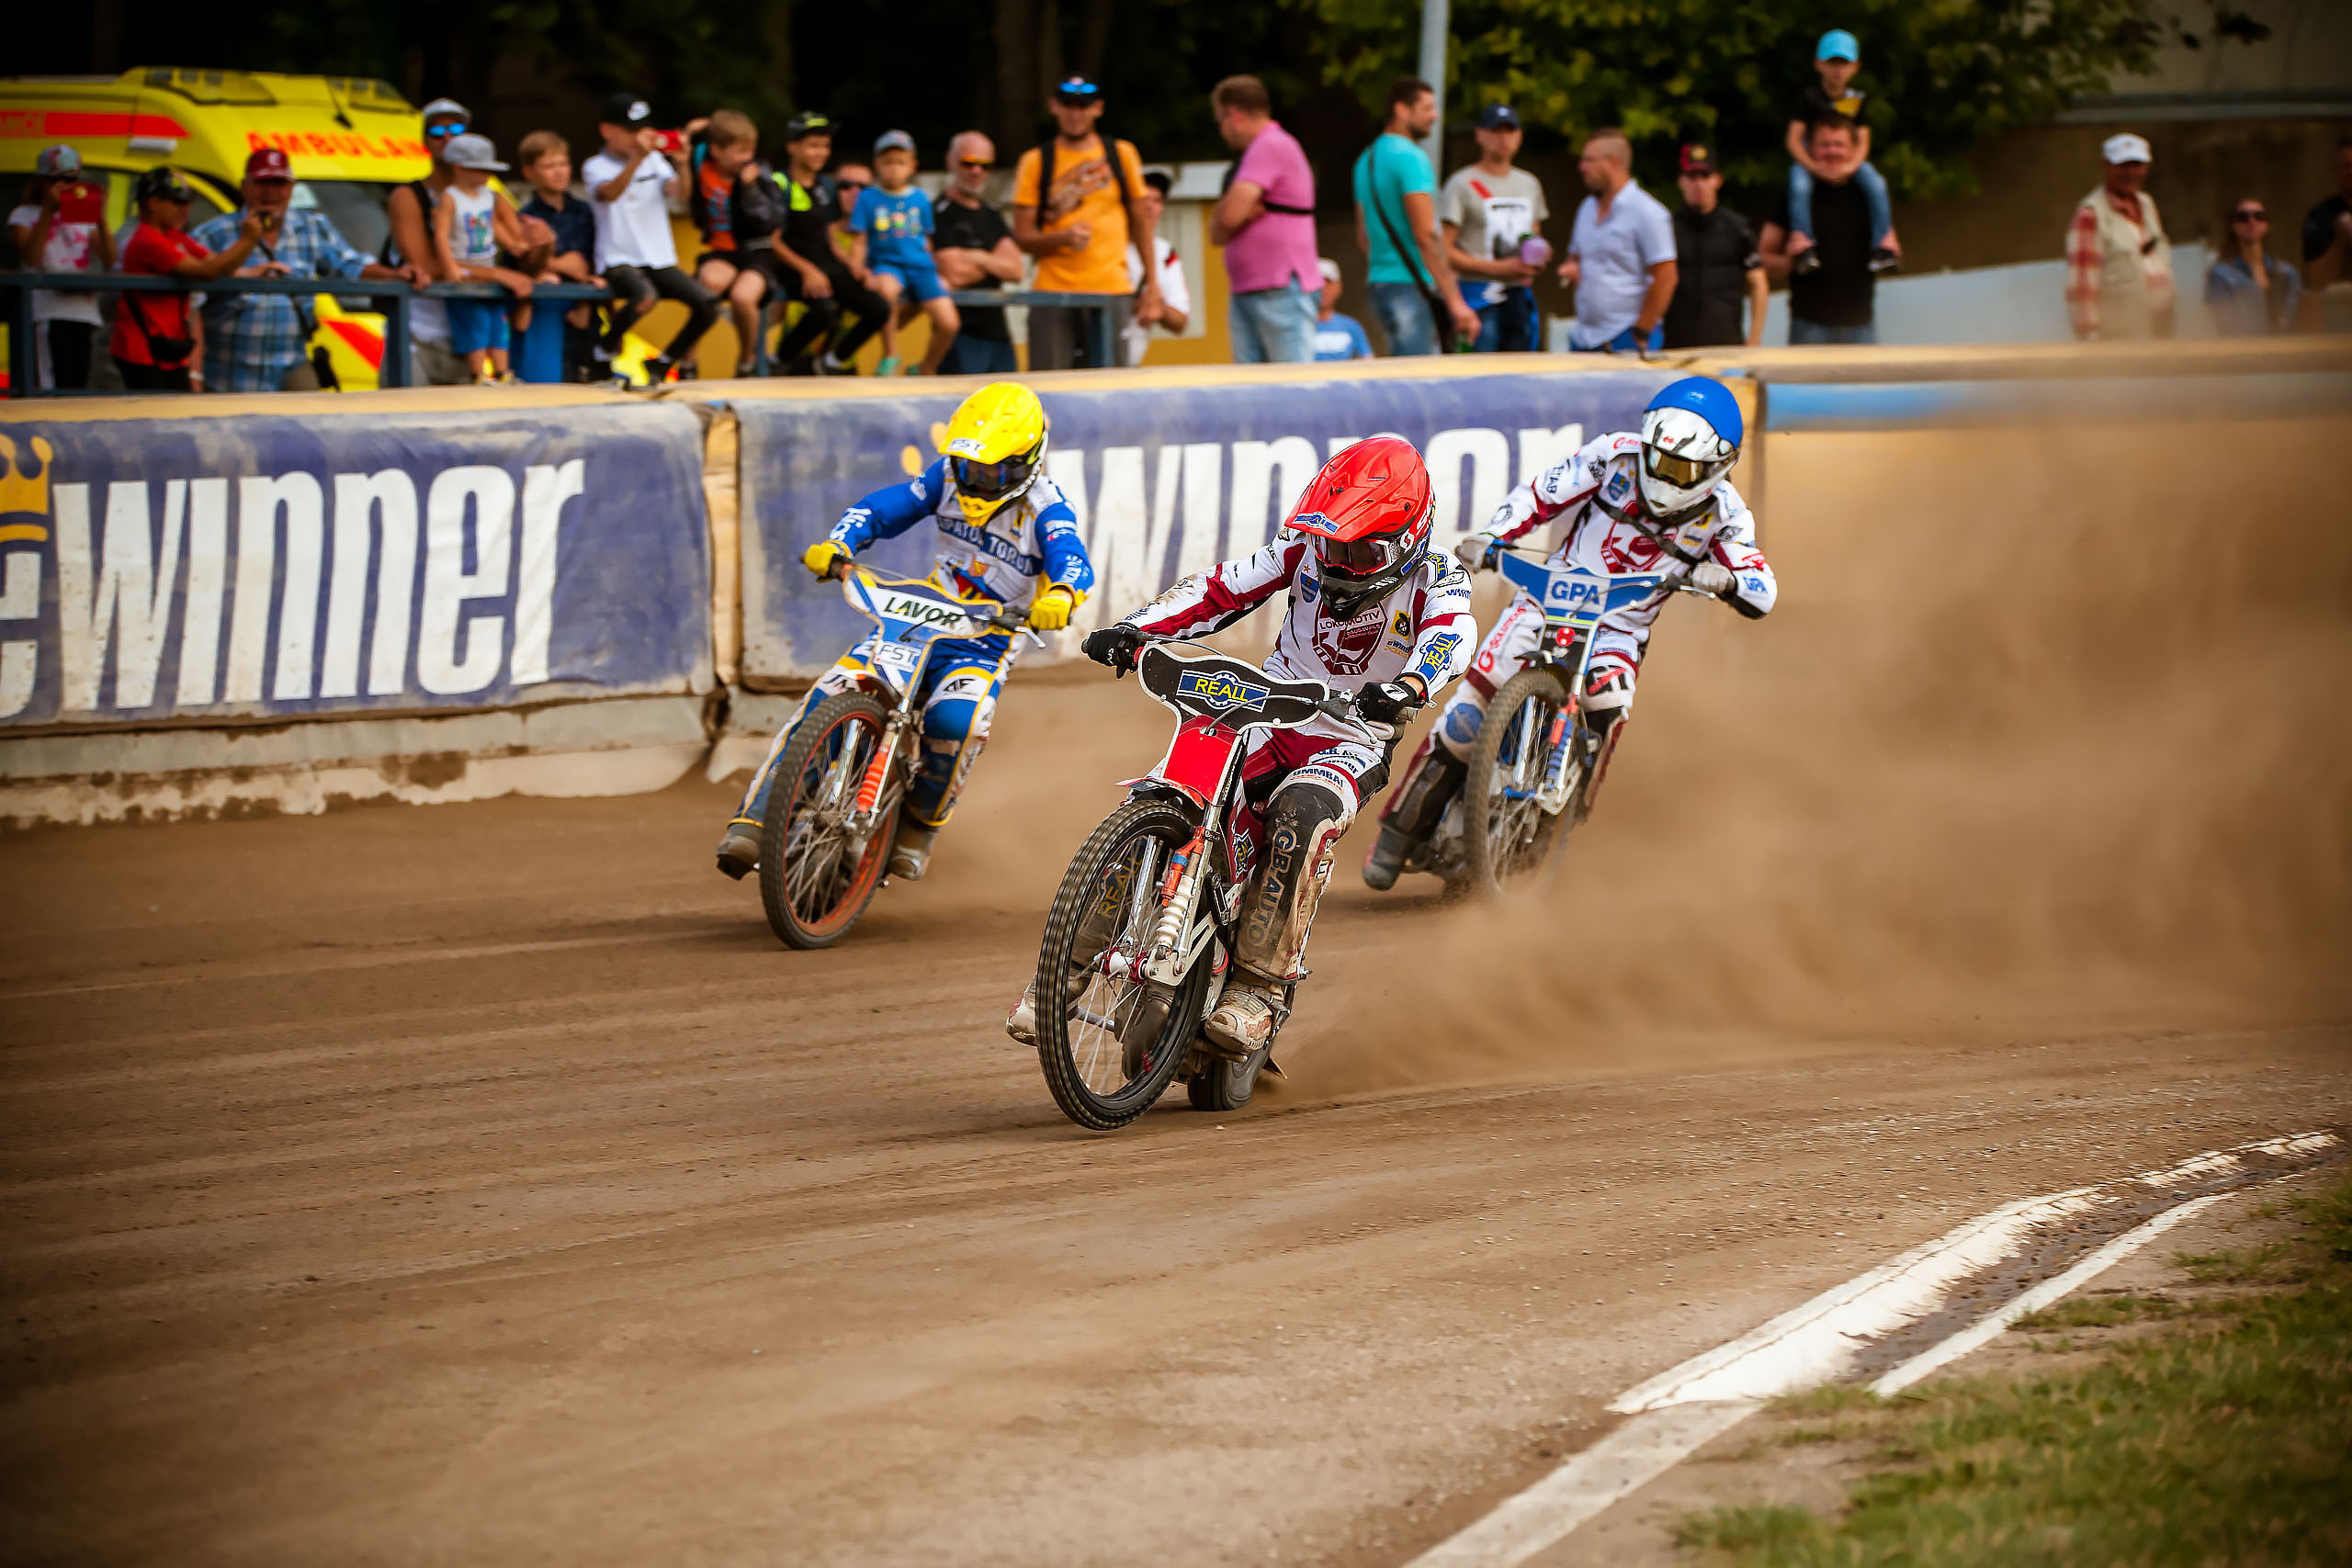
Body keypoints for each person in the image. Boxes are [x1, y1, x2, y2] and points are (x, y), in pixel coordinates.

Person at [1022, 436, 1476, 1057]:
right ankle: (1064, 972)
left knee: (1303, 813)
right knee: (1169, 791)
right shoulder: (1306, 548)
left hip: (1351, 736)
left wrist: (1411, 685)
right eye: (1331, 543)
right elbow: (1220, 590)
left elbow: (1452, 634)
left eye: (1358, 549)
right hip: (1270, 709)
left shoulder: (1439, 575)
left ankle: (1259, 990)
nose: (1338, 560)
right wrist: (1136, 626)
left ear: (1406, 539)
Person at [1363, 378, 1776, 889]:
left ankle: (1566, 808)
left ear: (1717, 468)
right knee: (1467, 715)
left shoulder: (1727, 515)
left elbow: (1763, 588)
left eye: (1681, 468)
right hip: (1547, 600)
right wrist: (1495, 537)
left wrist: (1730, 578)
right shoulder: (1613, 455)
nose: (1662, 474)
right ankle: (1400, 832)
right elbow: (1541, 494)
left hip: (1618, 630)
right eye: (1657, 457)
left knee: (1611, 702)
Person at [716, 382, 1092, 882]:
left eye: (992, 470)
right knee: (832, 690)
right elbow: (884, 507)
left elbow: (1074, 562)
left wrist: (1060, 596)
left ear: (1027, 463)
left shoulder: (1047, 507)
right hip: (919, 619)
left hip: (985, 639)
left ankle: (919, 827)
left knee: (958, 723)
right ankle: (756, 818)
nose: (976, 480)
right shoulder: (945, 478)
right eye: (969, 467)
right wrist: (840, 543)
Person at [190, 147, 414, 392]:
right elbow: (191, 301)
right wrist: (194, 373)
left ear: (291, 188)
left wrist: (395, 275)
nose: (270, 192)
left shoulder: (311, 226)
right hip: (228, 369)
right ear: (245, 187)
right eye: (263, 182)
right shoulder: (214, 233)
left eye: (279, 183)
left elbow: (348, 264)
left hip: (290, 363)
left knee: (314, 420)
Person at [1012, 76, 1159, 369]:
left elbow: (1141, 223)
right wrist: (1061, 238)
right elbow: (1022, 237)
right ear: (1054, 107)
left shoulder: (1121, 154)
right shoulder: (1036, 161)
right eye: (1068, 105)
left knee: (1110, 386)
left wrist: (1153, 285)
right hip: (1053, 293)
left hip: (1112, 289)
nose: (1075, 113)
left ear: (1098, 109)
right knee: (1050, 387)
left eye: (1083, 106)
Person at [583, 93, 721, 383]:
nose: (639, 138)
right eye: (631, 131)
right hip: (617, 257)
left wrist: (683, 164)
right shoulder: (595, 165)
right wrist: (636, 160)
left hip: (657, 258)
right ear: (607, 130)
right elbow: (609, 194)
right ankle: (602, 354)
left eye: (644, 130)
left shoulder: (655, 160)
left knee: (708, 305)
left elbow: (681, 195)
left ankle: (664, 363)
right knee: (645, 298)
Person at [1353, 78, 1480, 355]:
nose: (1435, 116)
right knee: (1421, 384)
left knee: (1400, 378)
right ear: (1401, 110)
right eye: (1427, 108)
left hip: (1379, 284)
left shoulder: (1366, 159)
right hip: (1412, 288)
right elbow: (1426, 235)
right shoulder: (1411, 157)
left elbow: (1363, 238)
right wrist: (1455, 301)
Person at [109, 166, 262, 392]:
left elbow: (218, 264)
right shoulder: (147, 240)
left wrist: (257, 269)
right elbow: (207, 272)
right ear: (152, 203)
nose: (185, 210)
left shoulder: (172, 235)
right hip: (141, 349)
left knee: (177, 414)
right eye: (177, 203)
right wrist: (248, 240)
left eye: (187, 203)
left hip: (169, 347)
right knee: (153, 420)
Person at [1210, 73, 1320, 364]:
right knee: (1253, 393)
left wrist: (1234, 212)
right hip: (1253, 287)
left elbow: (1229, 218)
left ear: (1232, 115)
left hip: (1279, 286)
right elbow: (1219, 230)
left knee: (1292, 388)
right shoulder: (1256, 153)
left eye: (1218, 121)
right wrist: (1234, 211)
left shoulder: (1269, 145)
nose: (1221, 131)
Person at [768, 115, 888, 376]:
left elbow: (826, 234)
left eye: (825, 146)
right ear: (792, 147)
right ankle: (778, 360)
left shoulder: (825, 185)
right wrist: (807, 270)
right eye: (813, 146)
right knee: (823, 310)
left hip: (826, 265)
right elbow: (772, 240)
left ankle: (831, 363)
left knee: (878, 308)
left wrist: (854, 266)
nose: (821, 152)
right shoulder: (779, 184)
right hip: (791, 267)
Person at [686, 110, 794, 378]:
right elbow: (687, 145)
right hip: (723, 251)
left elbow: (770, 219)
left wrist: (750, 190)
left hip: (758, 251)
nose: (747, 157)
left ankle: (746, 361)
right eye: (740, 151)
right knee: (708, 284)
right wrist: (693, 129)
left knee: (743, 297)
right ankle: (688, 361)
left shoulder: (760, 174)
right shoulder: (702, 162)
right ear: (717, 150)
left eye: (751, 150)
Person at [1783, 29, 1899, 276]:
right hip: (1811, 160)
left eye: (1843, 63)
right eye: (1832, 63)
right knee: (1798, 186)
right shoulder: (1809, 97)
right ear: (1819, 65)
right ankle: (1803, 244)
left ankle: (1883, 245)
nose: (1837, 70)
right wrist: (1812, 166)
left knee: (1877, 184)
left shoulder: (1857, 99)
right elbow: (1793, 139)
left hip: (1849, 161)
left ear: (1854, 67)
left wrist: (1851, 166)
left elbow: (1863, 140)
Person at [1758, 118, 1882, 344]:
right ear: (1810, 149)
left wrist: (1886, 251)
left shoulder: (1869, 195)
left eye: (1839, 144)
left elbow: (1891, 251)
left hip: (1861, 326)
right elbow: (1763, 258)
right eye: (1825, 145)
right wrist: (1790, 261)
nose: (1832, 151)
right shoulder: (1794, 195)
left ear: (1855, 150)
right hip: (1809, 326)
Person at [379, 98, 474, 386]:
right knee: (403, 428)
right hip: (415, 336)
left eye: (456, 129)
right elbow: (425, 265)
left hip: (469, 338)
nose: (447, 137)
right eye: (437, 132)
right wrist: (498, 275)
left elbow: (516, 252)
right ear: (425, 142)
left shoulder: (486, 194)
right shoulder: (408, 195)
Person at [431, 134, 539, 383]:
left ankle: (502, 371)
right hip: (465, 270)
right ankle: (478, 373)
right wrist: (450, 269)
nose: (486, 175)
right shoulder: (450, 197)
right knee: (475, 322)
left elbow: (493, 227)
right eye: (480, 169)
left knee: (498, 320)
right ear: (460, 169)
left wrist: (515, 244)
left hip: (487, 268)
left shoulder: (489, 196)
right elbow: (441, 235)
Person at [1557, 129, 1676, 354]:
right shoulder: (1586, 208)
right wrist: (1572, 267)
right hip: (1584, 336)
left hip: (1625, 335)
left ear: (1613, 162)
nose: (1582, 167)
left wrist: (1643, 330)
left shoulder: (1647, 212)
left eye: (1589, 160)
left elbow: (1666, 276)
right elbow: (1575, 255)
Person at [850, 130, 959, 377]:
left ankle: (926, 367)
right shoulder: (867, 198)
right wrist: (858, 268)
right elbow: (860, 240)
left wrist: (938, 272)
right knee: (885, 292)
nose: (894, 169)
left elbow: (926, 239)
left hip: (921, 268)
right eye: (887, 162)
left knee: (949, 323)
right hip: (887, 264)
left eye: (900, 162)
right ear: (876, 165)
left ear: (912, 166)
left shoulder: (920, 198)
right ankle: (890, 354)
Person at [1442, 104, 1548, 353]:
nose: (1503, 138)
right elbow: (1443, 250)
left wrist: (1539, 257)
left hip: (1520, 293)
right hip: (1477, 295)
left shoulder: (1528, 184)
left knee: (1522, 367)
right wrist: (1496, 268)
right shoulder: (1462, 184)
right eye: (1495, 131)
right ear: (1480, 135)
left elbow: (1535, 236)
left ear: (1519, 136)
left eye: (1510, 131)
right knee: (1480, 373)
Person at [8, 145, 114, 389]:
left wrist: (100, 217)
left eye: (72, 179)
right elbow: (32, 258)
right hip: (48, 312)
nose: (65, 185)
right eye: (57, 179)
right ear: (41, 181)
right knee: (51, 387)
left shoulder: (84, 217)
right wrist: (48, 211)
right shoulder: (23, 215)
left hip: (84, 312)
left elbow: (109, 258)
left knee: (77, 388)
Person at [2063, 132, 2174, 343]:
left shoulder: (2146, 204)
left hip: (2159, 330)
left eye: (2137, 165)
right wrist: (2090, 338)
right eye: (2123, 166)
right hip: (2118, 336)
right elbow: (2082, 285)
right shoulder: (2090, 214)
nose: (2131, 173)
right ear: (2106, 166)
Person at [932, 131, 1023, 376]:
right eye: (968, 163)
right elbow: (955, 274)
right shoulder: (939, 212)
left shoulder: (992, 215)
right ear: (951, 161)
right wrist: (994, 261)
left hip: (999, 335)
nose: (976, 171)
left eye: (984, 165)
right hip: (960, 336)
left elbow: (1016, 270)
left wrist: (977, 257)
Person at [516, 131, 604, 382]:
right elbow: (521, 262)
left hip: (587, 318)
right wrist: (559, 264)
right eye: (548, 166)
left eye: (563, 164)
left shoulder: (586, 212)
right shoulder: (525, 217)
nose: (559, 172)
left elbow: (595, 260)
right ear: (529, 172)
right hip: (545, 321)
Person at [1663, 142, 1767, 349]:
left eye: (1705, 177)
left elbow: (1759, 283)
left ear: (1717, 180)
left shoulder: (1737, 228)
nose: (1699, 184)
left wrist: (1754, 341)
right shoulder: (1666, 229)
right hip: (1677, 347)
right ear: (1681, 181)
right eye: (1692, 177)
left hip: (1727, 346)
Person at [2205, 198, 2301, 337]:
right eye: (2243, 217)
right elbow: (2225, 326)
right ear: (2234, 226)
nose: (2252, 221)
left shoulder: (2288, 273)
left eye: (2259, 216)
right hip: (2244, 352)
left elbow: (2295, 321)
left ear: (2266, 225)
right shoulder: (2220, 275)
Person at [1124, 171, 1192, 366]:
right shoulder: (1107, 247)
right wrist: (1129, 305)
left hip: (1128, 370)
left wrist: (1158, 307)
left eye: (1157, 201)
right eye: (1143, 199)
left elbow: (1181, 322)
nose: (1150, 206)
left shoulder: (1166, 253)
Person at [2296, 135, 2352, 332]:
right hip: (2338, 322)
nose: (2351, 171)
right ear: (2336, 171)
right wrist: (2341, 240)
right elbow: (2315, 282)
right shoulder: (2321, 216)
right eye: (2346, 165)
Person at [1312, 258, 1374, 360]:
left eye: (1328, 283)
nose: (1322, 288)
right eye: (1317, 282)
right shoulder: (1297, 328)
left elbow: (1368, 362)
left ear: (1339, 287)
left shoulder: (1351, 326)